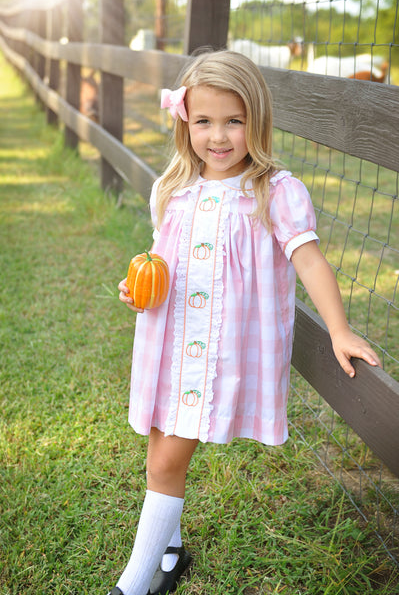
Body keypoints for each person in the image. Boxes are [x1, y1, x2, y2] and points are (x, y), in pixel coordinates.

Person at [112, 49, 381, 595]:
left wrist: (339, 328)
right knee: (159, 450)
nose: (218, 136)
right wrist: (138, 285)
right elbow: (165, 259)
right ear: (185, 119)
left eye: (233, 121)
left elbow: (309, 259)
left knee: (166, 462)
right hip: (170, 337)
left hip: (216, 352)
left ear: (255, 121)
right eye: (205, 121)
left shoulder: (274, 192)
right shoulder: (174, 188)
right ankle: (171, 552)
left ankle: (131, 587)